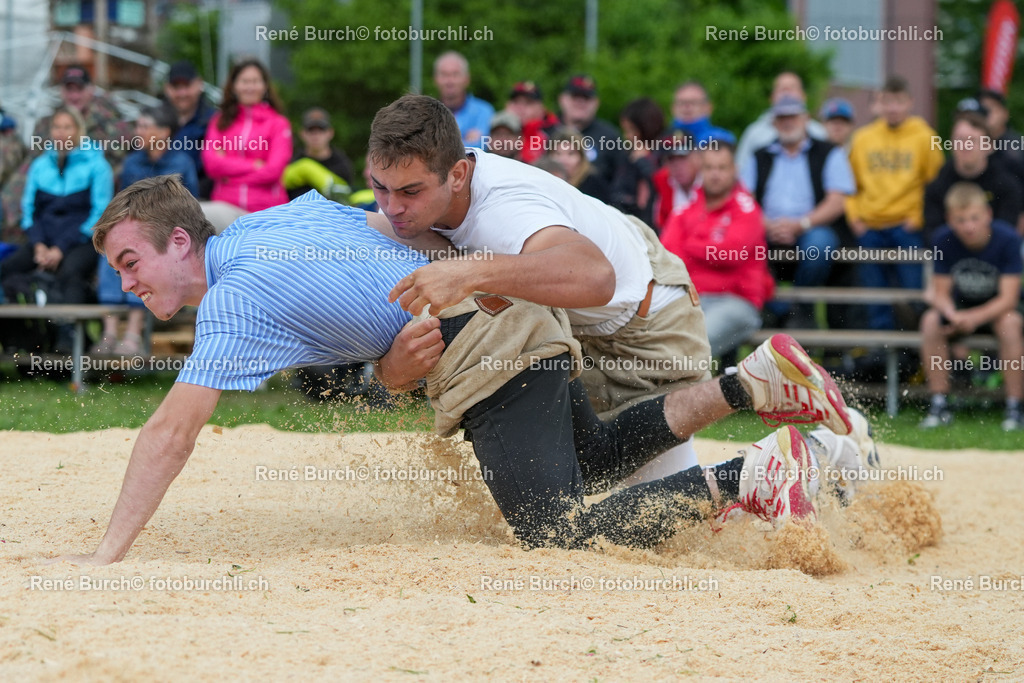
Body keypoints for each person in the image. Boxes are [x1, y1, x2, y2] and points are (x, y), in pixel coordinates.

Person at [52, 174, 869, 565]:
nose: (126, 282)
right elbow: (384, 249)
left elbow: (170, 431)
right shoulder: (277, 220)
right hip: (502, 299)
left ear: (181, 242)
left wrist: (106, 553)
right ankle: (751, 384)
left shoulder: (232, 302)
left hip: (481, 331)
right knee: (581, 464)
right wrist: (422, 328)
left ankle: (757, 476)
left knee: (552, 530)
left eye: (132, 261)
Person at [366, 95, 857, 487]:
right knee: (605, 478)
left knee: (648, 504)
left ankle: (823, 451)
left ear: (458, 173)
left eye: (409, 192)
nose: (392, 207)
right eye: (379, 188)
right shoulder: (436, 197)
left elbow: (594, 278)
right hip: (617, 304)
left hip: (645, 326)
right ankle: (765, 396)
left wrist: (469, 271)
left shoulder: (503, 208)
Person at [0, 106, 112, 350]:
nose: (61, 133)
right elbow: (28, 211)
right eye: (57, 127)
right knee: (6, 270)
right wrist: (39, 244)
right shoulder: (40, 165)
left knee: (69, 273)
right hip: (42, 242)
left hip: (81, 242)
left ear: (79, 130)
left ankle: (68, 338)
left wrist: (59, 249)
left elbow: (99, 215)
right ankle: (19, 338)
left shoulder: (97, 165)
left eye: (67, 127)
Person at [93, 104, 198, 356]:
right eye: (137, 126)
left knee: (141, 260)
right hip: (134, 230)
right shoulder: (132, 162)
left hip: (168, 235)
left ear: (164, 132)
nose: (138, 131)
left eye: (144, 126)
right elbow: (122, 203)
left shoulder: (182, 162)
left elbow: (191, 206)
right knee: (112, 258)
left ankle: (132, 334)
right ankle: (109, 332)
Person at [742, 95, 854, 328]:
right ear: (773, 122)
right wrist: (767, 225)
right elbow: (744, 200)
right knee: (739, 245)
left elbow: (837, 202)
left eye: (792, 116)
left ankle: (796, 309)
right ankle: (785, 311)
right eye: (781, 117)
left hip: (811, 229)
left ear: (805, 119)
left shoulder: (829, 152)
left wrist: (800, 224)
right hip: (765, 229)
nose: (787, 122)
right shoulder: (758, 155)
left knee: (820, 244)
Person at [919, 182, 1023, 431]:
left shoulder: (1007, 239)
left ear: (988, 215)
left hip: (998, 311)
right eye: (961, 220)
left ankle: (1014, 407)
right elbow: (941, 292)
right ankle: (939, 403)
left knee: (1010, 323)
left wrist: (973, 317)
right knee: (930, 321)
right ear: (949, 219)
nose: (968, 226)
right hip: (961, 309)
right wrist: (950, 313)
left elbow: (1009, 298)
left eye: (974, 218)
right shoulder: (943, 239)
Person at [847, 75, 946, 331]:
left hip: (907, 227)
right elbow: (849, 185)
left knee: (912, 294)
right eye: (887, 101)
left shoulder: (925, 137)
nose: (893, 108)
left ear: (910, 102)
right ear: (879, 103)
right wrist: (855, 218)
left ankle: (912, 357)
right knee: (873, 296)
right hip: (869, 227)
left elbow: (937, 186)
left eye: (899, 102)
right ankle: (879, 353)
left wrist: (917, 219)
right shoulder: (862, 138)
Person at [661, 140, 773, 358]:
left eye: (722, 168)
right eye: (709, 168)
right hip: (689, 300)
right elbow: (668, 259)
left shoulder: (747, 209)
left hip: (737, 303)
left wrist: (691, 244)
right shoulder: (684, 210)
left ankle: (684, 392)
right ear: (701, 170)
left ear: (734, 170)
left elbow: (731, 254)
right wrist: (707, 247)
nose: (715, 174)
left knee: (691, 347)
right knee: (657, 342)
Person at [1, 64, 130, 232]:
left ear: (90, 90)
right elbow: (30, 165)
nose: (74, 95)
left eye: (80, 89)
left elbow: (126, 164)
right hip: (48, 196)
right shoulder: (46, 124)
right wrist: (11, 202)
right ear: (61, 91)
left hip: (87, 199)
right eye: (69, 89)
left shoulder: (112, 126)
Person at [201, 58, 292, 213]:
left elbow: (273, 171)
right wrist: (253, 165)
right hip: (226, 206)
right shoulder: (219, 121)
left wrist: (229, 176)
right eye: (244, 81)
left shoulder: (278, 123)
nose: (250, 87)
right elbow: (211, 164)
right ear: (234, 86)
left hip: (268, 210)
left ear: (265, 86)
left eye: (255, 81)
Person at [923, 111, 1022, 245]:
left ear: (989, 146)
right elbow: (932, 236)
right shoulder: (937, 186)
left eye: (972, 140)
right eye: (960, 140)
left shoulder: (1007, 186)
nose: (965, 146)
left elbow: (1007, 235)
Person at [735, 71, 828, 172]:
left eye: (792, 88)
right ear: (772, 97)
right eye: (782, 89)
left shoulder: (818, 132)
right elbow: (741, 170)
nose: (787, 93)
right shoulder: (754, 132)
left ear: (803, 96)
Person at [557, 75, 625, 185]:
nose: (580, 103)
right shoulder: (546, 130)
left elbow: (619, 180)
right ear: (562, 99)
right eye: (575, 97)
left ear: (596, 103)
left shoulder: (609, 137)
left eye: (586, 98)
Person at [163, 61, 216, 199]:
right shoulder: (155, 119)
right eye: (176, 87)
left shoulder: (214, 121)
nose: (182, 93)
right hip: (160, 196)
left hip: (200, 198)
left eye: (187, 86)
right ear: (167, 89)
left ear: (199, 84)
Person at [283, 107, 355, 201]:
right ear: (302, 133)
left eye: (321, 130)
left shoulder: (342, 164)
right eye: (311, 130)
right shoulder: (291, 162)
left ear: (330, 133)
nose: (316, 136)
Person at [613, 97, 664, 226]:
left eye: (631, 130)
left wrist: (643, 162)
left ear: (647, 127)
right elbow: (618, 192)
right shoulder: (629, 154)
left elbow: (660, 184)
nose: (627, 136)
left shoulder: (665, 154)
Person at [433, 51, 494, 147]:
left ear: (467, 79)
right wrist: (465, 139)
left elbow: (482, 147)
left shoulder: (484, 111)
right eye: (444, 75)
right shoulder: (426, 113)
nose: (449, 81)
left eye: (455, 74)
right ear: (435, 79)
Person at [545, 127, 611, 203]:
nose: (563, 160)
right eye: (558, 154)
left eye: (571, 154)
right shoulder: (544, 181)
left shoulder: (594, 184)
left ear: (581, 157)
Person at [652, 132, 700, 231]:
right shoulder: (663, 183)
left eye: (682, 158)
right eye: (671, 159)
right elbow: (661, 227)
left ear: (697, 156)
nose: (677, 166)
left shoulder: (712, 182)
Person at [504, 81, 559, 164]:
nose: (520, 108)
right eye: (516, 102)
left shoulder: (554, 133)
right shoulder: (496, 130)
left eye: (528, 103)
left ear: (541, 108)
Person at [668, 81, 733, 146]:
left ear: (708, 107)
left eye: (693, 102)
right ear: (673, 108)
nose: (687, 107)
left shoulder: (721, 139)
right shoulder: (663, 138)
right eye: (682, 102)